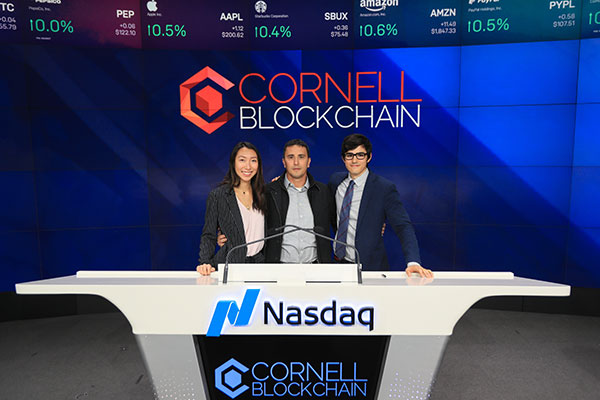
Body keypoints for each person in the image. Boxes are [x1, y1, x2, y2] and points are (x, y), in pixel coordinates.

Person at [328, 134, 433, 278]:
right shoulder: (336, 182)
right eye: (349, 155)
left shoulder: (384, 188)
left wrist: (413, 261)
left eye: (360, 155)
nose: (354, 160)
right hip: (338, 265)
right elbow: (334, 217)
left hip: (371, 267)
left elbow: (403, 226)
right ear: (343, 158)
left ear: (369, 157)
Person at [196, 142, 267, 275]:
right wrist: (205, 262)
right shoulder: (218, 196)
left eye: (253, 161)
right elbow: (209, 234)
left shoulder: (265, 194)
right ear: (233, 163)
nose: (248, 166)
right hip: (229, 266)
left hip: (261, 266)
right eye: (242, 160)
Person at [264, 139, 334, 263]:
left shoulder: (323, 192)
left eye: (301, 157)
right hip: (279, 269)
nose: (296, 162)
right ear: (284, 162)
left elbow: (339, 221)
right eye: (291, 157)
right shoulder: (269, 192)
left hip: (315, 268)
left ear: (308, 162)